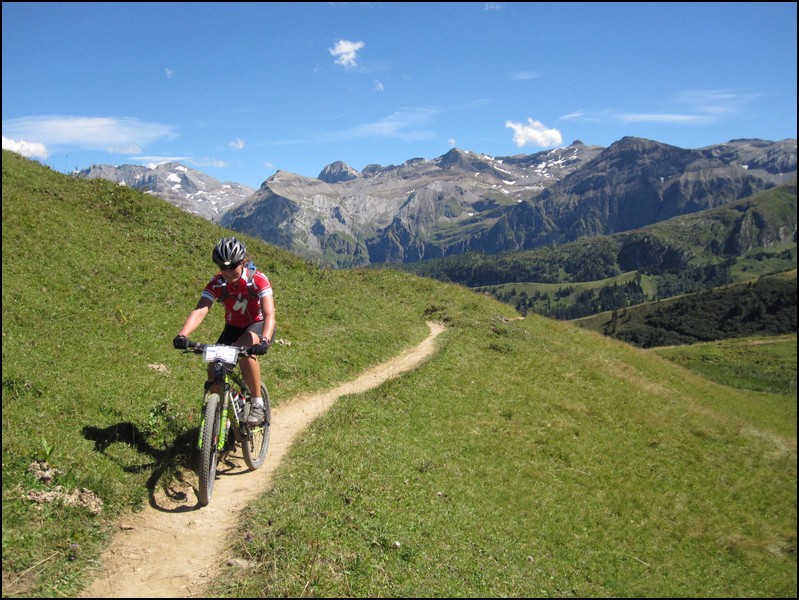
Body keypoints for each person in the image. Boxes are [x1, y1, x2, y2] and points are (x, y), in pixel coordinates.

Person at [173, 237, 276, 424]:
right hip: (232, 328)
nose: (228, 272)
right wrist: (183, 334)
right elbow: (200, 310)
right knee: (214, 369)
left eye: (233, 266)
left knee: (245, 349)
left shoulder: (258, 280)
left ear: (243, 262)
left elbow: (269, 314)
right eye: (223, 267)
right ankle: (218, 418)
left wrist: (265, 341)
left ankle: (257, 403)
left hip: (259, 326)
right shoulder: (217, 283)